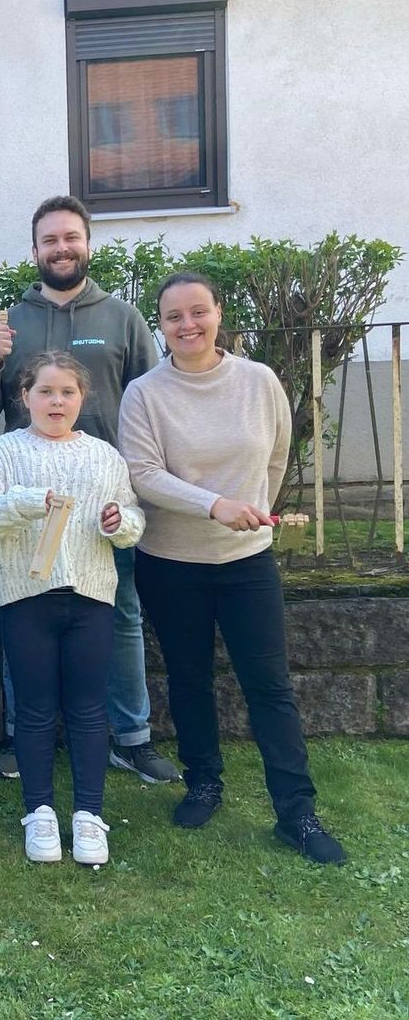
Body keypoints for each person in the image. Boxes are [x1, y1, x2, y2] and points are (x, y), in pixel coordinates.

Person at [118, 272, 346, 865]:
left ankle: (296, 814)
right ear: (159, 324)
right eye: (173, 317)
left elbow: (275, 455)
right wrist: (215, 505)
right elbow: (141, 473)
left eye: (199, 312)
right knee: (189, 680)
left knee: (270, 686)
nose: (187, 325)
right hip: (170, 563)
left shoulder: (258, 380)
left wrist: (251, 508)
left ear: (219, 314)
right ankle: (204, 782)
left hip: (247, 562)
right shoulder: (144, 392)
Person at [0, 195, 179, 786]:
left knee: (122, 613)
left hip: (103, 493)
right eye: (50, 240)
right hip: (27, 505)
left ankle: (131, 737)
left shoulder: (123, 318)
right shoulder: (11, 322)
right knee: (20, 611)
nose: (61, 248)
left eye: (70, 238)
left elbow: (153, 400)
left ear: (87, 244)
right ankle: (19, 737)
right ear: (35, 251)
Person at [0, 353, 144, 865]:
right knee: (36, 709)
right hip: (26, 596)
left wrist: (118, 523)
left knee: (88, 708)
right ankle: (38, 811)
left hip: (90, 595)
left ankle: (89, 815)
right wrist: (23, 502)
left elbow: (131, 517)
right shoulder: (4, 452)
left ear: (82, 399)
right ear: (25, 397)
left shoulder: (105, 457)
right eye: (45, 392)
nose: (56, 401)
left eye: (67, 392)